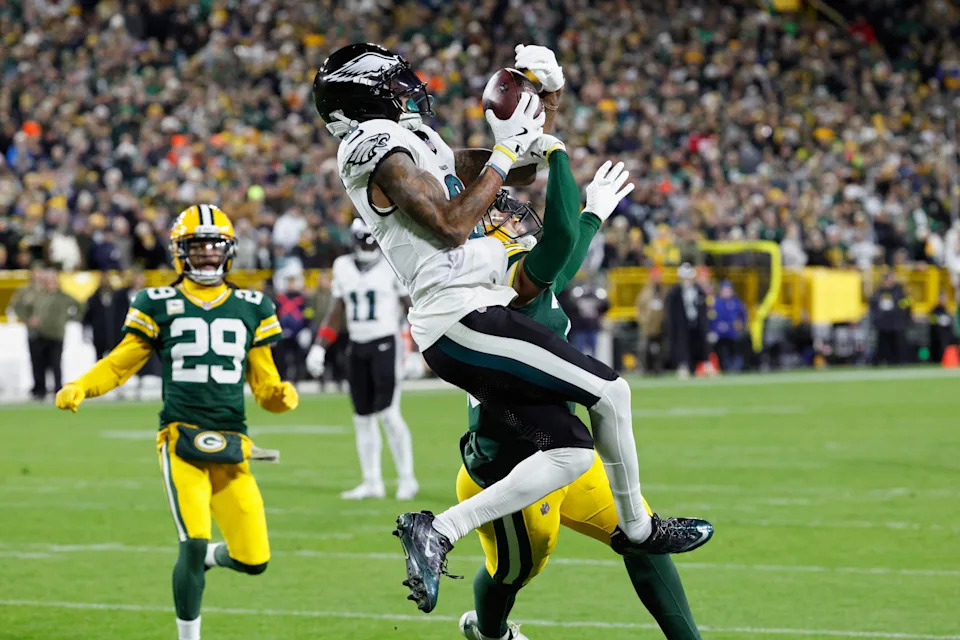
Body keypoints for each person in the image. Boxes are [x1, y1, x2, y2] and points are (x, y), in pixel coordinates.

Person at [314, 42, 712, 614]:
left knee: (574, 455)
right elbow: (453, 224)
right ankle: (640, 530)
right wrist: (505, 154)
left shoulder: (414, 143)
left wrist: (541, 103)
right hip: (457, 315)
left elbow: (521, 167)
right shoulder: (371, 146)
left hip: (477, 308)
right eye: (396, 84)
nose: (411, 91)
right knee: (611, 391)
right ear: (368, 94)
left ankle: (439, 530)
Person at [457, 159, 704, 640]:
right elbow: (556, 250)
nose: (517, 216)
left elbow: (561, 267)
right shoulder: (496, 284)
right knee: (512, 575)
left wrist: (593, 216)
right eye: (502, 215)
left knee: (642, 535)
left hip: (565, 451)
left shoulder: (520, 279)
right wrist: (556, 153)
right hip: (511, 469)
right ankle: (490, 635)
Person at [55, 204, 299, 640]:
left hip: (232, 443)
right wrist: (81, 386)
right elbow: (119, 364)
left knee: (254, 558)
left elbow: (265, 387)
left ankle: (209, 558)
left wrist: (281, 397)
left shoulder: (252, 305)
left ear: (229, 251)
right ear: (178, 252)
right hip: (179, 438)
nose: (206, 255)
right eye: (197, 247)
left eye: (214, 247)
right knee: (192, 541)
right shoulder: (157, 300)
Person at [305, 218, 419, 501]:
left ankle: (407, 479)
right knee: (362, 418)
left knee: (389, 415)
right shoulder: (342, 266)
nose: (367, 246)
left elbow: (410, 309)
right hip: (357, 345)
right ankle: (372, 481)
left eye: (371, 240)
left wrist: (416, 349)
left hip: (385, 344)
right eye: (362, 240)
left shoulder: (391, 264)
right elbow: (337, 308)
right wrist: (320, 346)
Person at [26, 268, 84, 399]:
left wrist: (71, 318)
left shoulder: (64, 296)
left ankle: (58, 389)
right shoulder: (41, 295)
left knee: (56, 364)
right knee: (40, 364)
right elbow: (27, 307)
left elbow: (81, 306)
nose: (50, 284)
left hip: (57, 335)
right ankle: (40, 390)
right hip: (41, 334)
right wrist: (30, 319)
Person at [666, 263, 709, 378]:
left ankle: (699, 365)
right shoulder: (674, 293)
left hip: (696, 323)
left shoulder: (699, 291)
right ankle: (683, 365)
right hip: (681, 324)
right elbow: (671, 312)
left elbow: (703, 309)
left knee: (698, 344)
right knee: (682, 344)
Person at [870, 270, 911, 365]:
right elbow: (873, 306)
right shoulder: (878, 292)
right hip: (883, 324)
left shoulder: (899, 291)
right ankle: (883, 361)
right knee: (883, 346)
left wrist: (901, 313)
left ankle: (899, 362)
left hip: (897, 324)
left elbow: (907, 305)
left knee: (898, 346)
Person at [635, 266, 667, 375]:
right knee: (645, 348)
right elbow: (639, 307)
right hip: (648, 325)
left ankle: (658, 368)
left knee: (660, 349)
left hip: (660, 325)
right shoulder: (646, 291)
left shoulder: (663, 290)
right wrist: (643, 320)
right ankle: (645, 368)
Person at [711, 280, 747, 372]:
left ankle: (735, 368)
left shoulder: (736, 303)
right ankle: (724, 368)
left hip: (732, 333)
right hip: (720, 334)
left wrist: (741, 326)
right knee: (722, 353)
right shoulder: (716, 302)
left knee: (735, 351)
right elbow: (712, 318)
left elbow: (742, 317)